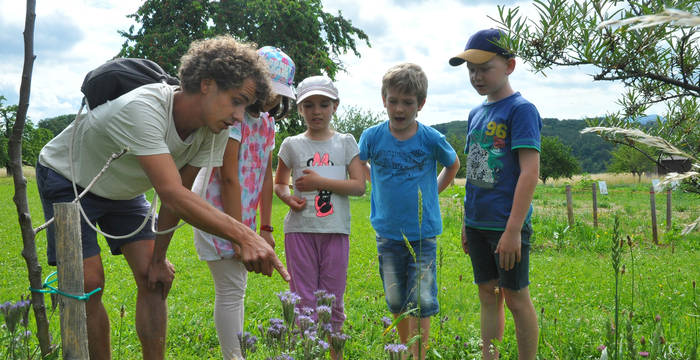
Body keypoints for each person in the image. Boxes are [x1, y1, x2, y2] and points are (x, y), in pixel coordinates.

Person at [35, 35, 289, 360]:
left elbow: (177, 198)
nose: (241, 116)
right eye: (236, 100)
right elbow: (171, 192)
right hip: (69, 177)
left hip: (123, 189)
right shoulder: (144, 108)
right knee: (87, 283)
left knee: (155, 280)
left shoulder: (215, 129)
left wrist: (157, 260)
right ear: (207, 84)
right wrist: (244, 234)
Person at [191, 46, 296, 360]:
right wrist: (238, 233)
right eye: (267, 89)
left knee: (235, 289)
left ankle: (234, 355)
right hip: (218, 213)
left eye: (278, 93)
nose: (271, 98)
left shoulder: (267, 123)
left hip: (244, 218)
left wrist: (264, 227)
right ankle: (233, 356)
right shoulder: (234, 119)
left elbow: (265, 174)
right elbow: (228, 178)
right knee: (231, 289)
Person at [449, 28, 541, 360]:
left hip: (507, 225)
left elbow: (530, 172)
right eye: (471, 69)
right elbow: (473, 173)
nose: (476, 76)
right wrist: (465, 222)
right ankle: (491, 356)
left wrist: (514, 229)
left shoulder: (521, 110)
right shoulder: (476, 113)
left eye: (485, 67)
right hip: (477, 223)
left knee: (516, 297)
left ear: (510, 66)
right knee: (488, 294)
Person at [358, 63, 460, 360]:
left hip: (422, 233)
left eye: (407, 102)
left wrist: (434, 191)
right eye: (393, 101)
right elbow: (358, 163)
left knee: (422, 297)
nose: (399, 108)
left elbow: (452, 164)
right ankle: (403, 351)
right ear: (384, 100)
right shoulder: (373, 136)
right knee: (394, 295)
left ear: (421, 104)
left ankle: (419, 355)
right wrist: (373, 182)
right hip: (387, 233)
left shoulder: (430, 138)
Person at [274, 75, 365, 358]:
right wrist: (287, 197)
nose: (316, 111)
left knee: (333, 296)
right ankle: (308, 352)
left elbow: (359, 186)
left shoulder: (346, 143)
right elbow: (279, 182)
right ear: (299, 109)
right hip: (300, 230)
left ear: (335, 106)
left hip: (335, 230)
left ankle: (335, 353)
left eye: (323, 104)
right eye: (308, 105)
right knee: (303, 298)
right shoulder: (291, 144)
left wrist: (320, 183)